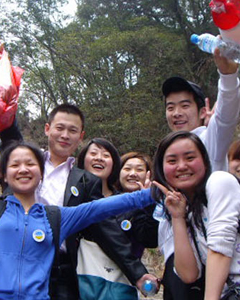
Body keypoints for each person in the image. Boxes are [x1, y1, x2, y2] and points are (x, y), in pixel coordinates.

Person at [0, 140, 155, 300]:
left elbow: (101, 208)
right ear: (5, 175)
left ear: (41, 174)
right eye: (15, 165)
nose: (23, 169)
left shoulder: (57, 218)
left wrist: (152, 194)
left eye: (30, 164)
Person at [0, 104, 151, 299]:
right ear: (47, 129)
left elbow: (105, 228)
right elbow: (10, 132)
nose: (65, 135)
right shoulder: (26, 165)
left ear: (80, 136)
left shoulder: (86, 181)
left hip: (60, 270)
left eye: (72, 131)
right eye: (59, 128)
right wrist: (1, 97)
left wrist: (136, 272)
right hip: (13, 262)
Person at [158, 49, 240, 299]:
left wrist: (227, 76)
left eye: (185, 105)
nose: (177, 113)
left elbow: (226, 118)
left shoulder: (210, 146)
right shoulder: (168, 168)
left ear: (203, 110)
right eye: (170, 107)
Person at [152, 131, 240, 299]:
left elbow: (220, 247)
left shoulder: (220, 182)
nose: (182, 166)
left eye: (190, 158)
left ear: (205, 162)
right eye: (172, 161)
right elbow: (189, 275)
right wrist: (178, 218)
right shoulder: (186, 211)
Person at [77, 139, 159, 298]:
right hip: (81, 281)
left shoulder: (135, 208)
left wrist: (148, 202)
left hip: (119, 285)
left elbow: (148, 238)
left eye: (139, 169)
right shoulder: (74, 196)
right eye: (127, 168)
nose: (132, 173)